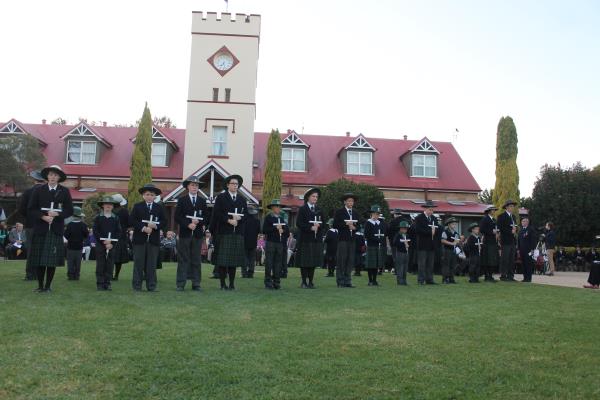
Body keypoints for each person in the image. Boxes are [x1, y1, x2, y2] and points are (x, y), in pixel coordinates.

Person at [27, 165, 74, 292]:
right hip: (41, 228)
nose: (53, 177)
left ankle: (48, 287)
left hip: (55, 230)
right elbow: (31, 209)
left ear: (59, 178)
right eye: (51, 174)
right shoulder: (38, 190)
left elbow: (69, 210)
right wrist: (43, 217)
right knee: (39, 260)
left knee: (51, 261)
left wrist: (57, 214)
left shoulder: (64, 191)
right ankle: (40, 286)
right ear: (47, 176)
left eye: (55, 175)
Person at [211, 174, 247, 290]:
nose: (235, 186)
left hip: (237, 233)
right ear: (227, 185)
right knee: (223, 261)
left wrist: (239, 218)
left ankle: (231, 284)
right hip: (224, 232)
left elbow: (246, 214)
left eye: (237, 184)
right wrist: (228, 220)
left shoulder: (242, 199)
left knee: (233, 261)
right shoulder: (221, 197)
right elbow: (217, 213)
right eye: (233, 183)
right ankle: (222, 284)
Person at [129, 184, 166, 292]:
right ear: (143, 195)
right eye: (147, 194)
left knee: (151, 264)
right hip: (139, 240)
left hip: (153, 240)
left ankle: (151, 286)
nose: (149, 196)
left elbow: (164, 221)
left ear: (155, 196)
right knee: (138, 263)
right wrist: (143, 228)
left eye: (152, 195)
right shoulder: (137, 206)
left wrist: (156, 226)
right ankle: (137, 286)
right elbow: (132, 220)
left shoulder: (159, 207)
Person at [174, 176, 207, 291]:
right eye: (192, 185)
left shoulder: (202, 201)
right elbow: (177, 217)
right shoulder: (182, 200)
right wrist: (188, 224)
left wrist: (199, 221)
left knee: (196, 259)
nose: (194, 187)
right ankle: (180, 284)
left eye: (196, 185)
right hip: (185, 234)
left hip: (197, 235)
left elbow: (206, 217)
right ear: (188, 186)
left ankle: (196, 283)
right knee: (183, 259)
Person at [295, 187, 325, 289]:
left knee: (313, 261)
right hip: (305, 240)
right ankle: (304, 282)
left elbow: (324, 224)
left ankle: (311, 282)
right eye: (313, 196)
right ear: (308, 197)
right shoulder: (303, 209)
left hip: (316, 240)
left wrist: (319, 226)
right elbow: (299, 223)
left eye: (316, 197)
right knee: (304, 261)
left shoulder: (319, 210)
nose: (315, 198)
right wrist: (310, 227)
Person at [19, 170, 46, 280]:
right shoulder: (46, 192)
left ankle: (30, 274)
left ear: (34, 180)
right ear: (43, 180)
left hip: (30, 224)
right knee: (41, 250)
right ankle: (39, 274)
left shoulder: (27, 192)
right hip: (43, 224)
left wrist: (29, 216)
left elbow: (21, 209)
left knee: (31, 250)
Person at [93, 196, 122, 291]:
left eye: (110, 204)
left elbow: (118, 232)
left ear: (113, 206)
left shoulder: (116, 218)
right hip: (100, 244)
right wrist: (103, 241)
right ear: (103, 206)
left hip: (111, 245)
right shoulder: (98, 217)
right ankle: (100, 283)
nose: (108, 206)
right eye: (106, 204)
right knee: (100, 264)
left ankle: (107, 283)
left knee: (110, 264)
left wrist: (112, 243)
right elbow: (95, 231)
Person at [333, 193, 360, 288]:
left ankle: (348, 281)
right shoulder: (339, 212)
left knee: (350, 260)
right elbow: (335, 225)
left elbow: (359, 225)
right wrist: (346, 224)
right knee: (342, 260)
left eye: (352, 201)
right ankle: (340, 281)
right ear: (345, 202)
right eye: (349, 201)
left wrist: (354, 227)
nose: (350, 203)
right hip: (342, 239)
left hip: (352, 239)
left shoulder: (355, 212)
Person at [262, 199, 289, 290]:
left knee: (278, 264)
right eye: (276, 206)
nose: (278, 208)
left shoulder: (282, 218)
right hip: (270, 243)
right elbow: (264, 230)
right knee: (269, 263)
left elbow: (287, 232)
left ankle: (276, 282)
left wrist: (283, 231)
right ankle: (268, 282)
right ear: (272, 208)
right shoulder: (268, 217)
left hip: (280, 244)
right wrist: (275, 228)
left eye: (279, 207)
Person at [414, 200, 440, 285]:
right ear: (425, 209)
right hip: (422, 244)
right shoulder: (419, 218)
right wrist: (430, 232)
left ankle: (429, 279)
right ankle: (421, 280)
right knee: (422, 263)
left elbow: (437, 229)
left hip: (431, 245)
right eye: (430, 210)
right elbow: (418, 230)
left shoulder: (434, 218)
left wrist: (435, 232)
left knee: (430, 264)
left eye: (432, 210)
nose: (431, 212)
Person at [363, 205, 387, 286]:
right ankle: (370, 280)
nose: (376, 215)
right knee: (371, 264)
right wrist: (376, 238)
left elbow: (383, 233)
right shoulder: (368, 223)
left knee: (376, 264)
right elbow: (366, 235)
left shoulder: (380, 223)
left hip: (378, 246)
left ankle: (375, 280)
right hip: (371, 245)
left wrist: (381, 239)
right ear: (371, 214)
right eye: (375, 214)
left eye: (378, 214)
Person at [64, 207, 88, 280]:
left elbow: (66, 235)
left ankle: (70, 276)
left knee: (70, 262)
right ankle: (77, 275)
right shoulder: (83, 225)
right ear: (80, 216)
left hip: (70, 246)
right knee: (78, 262)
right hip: (79, 246)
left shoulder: (69, 225)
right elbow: (86, 235)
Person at [497, 199, 518, 281]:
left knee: (512, 259)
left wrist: (516, 230)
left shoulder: (513, 217)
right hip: (505, 241)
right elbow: (501, 228)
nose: (512, 208)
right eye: (511, 206)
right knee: (505, 258)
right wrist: (510, 231)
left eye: (513, 206)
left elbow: (515, 227)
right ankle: (503, 275)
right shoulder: (501, 216)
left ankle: (510, 276)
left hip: (512, 241)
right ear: (506, 207)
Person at [111, 194, 130, 281]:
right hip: (121, 236)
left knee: (110, 256)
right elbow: (129, 223)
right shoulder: (125, 211)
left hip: (111, 235)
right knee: (119, 258)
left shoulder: (110, 211)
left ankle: (109, 274)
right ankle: (116, 275)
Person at [479, 205, 499, 282]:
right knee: (487, 259)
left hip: (493, 242)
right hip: (487, 242)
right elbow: (482, 229)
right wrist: (491, 231)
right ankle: (487, 276)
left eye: (494, 210)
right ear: (489, 211)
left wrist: (497, 232)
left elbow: (496, 229)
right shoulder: (485, 219)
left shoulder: (494, 219)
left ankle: (490, 275)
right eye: (493, 210)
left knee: (492, 259)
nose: (494, 211)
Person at [440, 216, 460, 284]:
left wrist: (457, 242)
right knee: (446, 265)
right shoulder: (445, 231)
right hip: (446, 250)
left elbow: (457, 241)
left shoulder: (456, 233)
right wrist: (452, 243)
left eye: (455, 224)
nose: (454, 225)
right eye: (453, 224)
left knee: (452, 265)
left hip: (453, 251)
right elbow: (442, 240)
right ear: (449, 224)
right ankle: (445, 279)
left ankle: (451, 278)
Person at [518, 216, 538, 282]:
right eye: (522, 221)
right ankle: (525, 278)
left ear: (527, 222)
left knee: (528, 264)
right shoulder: (521, 230)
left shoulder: (531, 230)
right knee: (523, 264)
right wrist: (518, 249)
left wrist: (532, 249)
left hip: (529, 250)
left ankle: (529, 278)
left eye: (524, 221)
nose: (522, 222)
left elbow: (533, 240)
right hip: (522, 250)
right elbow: (519, 240)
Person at [242, 206, 260, 278]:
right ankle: (251, 273)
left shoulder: (244, 221)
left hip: (244, 241)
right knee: (252, 258)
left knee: (244, 257)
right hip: (253, 241)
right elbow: (258, 231)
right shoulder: (257, 221)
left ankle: (244, 273)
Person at [393, 220, 411, 285]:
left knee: (405, 267)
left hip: (406, 253)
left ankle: (404, 280)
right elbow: (395, 243)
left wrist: (408, 244)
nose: (405, 230)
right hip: (400, 253)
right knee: (400, 267)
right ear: (400, 228)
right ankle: (400, 281)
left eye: (406, 228)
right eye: (404, 228)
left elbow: (410, 242)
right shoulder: (398, 235)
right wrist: (403, 243)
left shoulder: (407, 235)